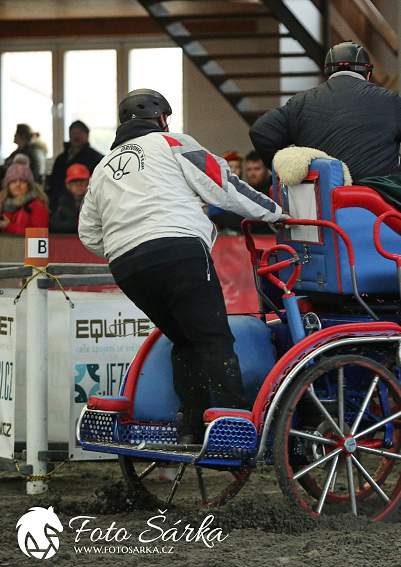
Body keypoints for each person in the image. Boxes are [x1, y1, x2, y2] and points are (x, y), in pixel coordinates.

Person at [78, 88, 288, 444]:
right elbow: (224, 185)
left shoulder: (101, 168)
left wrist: (126, 245)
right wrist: (278, 214)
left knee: (183, 340)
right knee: (214, 339)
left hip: (129, 266)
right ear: (161, 119)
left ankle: (190, 428)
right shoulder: (172, 142)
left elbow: (87, 232)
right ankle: (232, 430)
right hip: (178, 250)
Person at [249, 41, 401, 315]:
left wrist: (291, 161)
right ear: (367, 73)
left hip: (319, 214)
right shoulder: (385, 100)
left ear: (327, 73)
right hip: (378, 200)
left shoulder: (300, 102)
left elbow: (261, 132)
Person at [46, 120, 104, 212]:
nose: (76, 137)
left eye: (80, 133)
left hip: (88, 206)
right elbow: (54, 184)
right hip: (59, 207)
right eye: (73, 133)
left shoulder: (96, 159)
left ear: (87, 135)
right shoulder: (61, 159)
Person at [0, 157, 49, 234]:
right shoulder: (2, 204)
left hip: (27, 246)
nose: (18, 185)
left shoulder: (37, 206)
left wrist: (9, 226)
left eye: (22, 181)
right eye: (13, 182)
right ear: (8, 186)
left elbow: (39, 236)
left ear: (29, 185)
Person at [48, 163, 90, 234]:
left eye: (82, 180)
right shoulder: (63, 202)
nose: (79, 184)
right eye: (74, 181)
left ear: (89, 182)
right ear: (68, 185)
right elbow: (53, 225)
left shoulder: (97, 201)